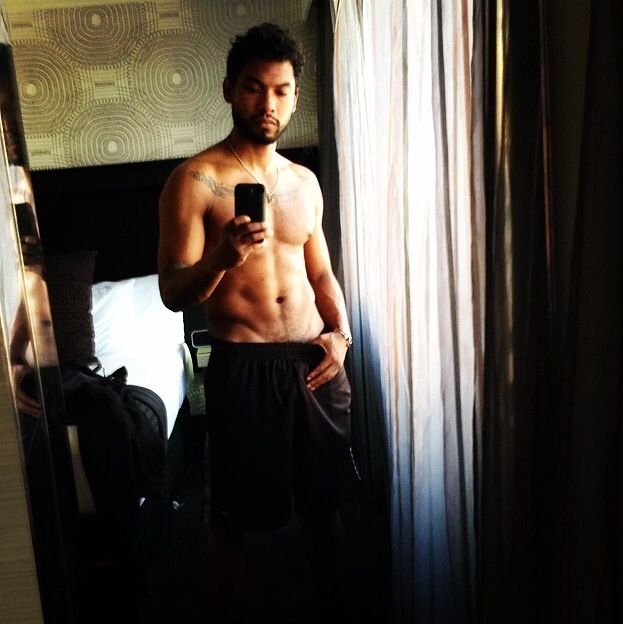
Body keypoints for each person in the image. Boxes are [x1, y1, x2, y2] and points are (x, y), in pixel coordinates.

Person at [158, 22, 353, 624]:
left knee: (326, 508)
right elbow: (172, 292)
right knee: (232, 523)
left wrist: (341, 336)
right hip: (243, 369)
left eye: (280, 90)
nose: (267, 102)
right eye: (253, 87)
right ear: (228, 90)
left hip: (315, 365)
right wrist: (223, 257)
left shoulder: (304, 182)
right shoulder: (194, 181)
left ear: (294, 98)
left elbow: (322, 274)